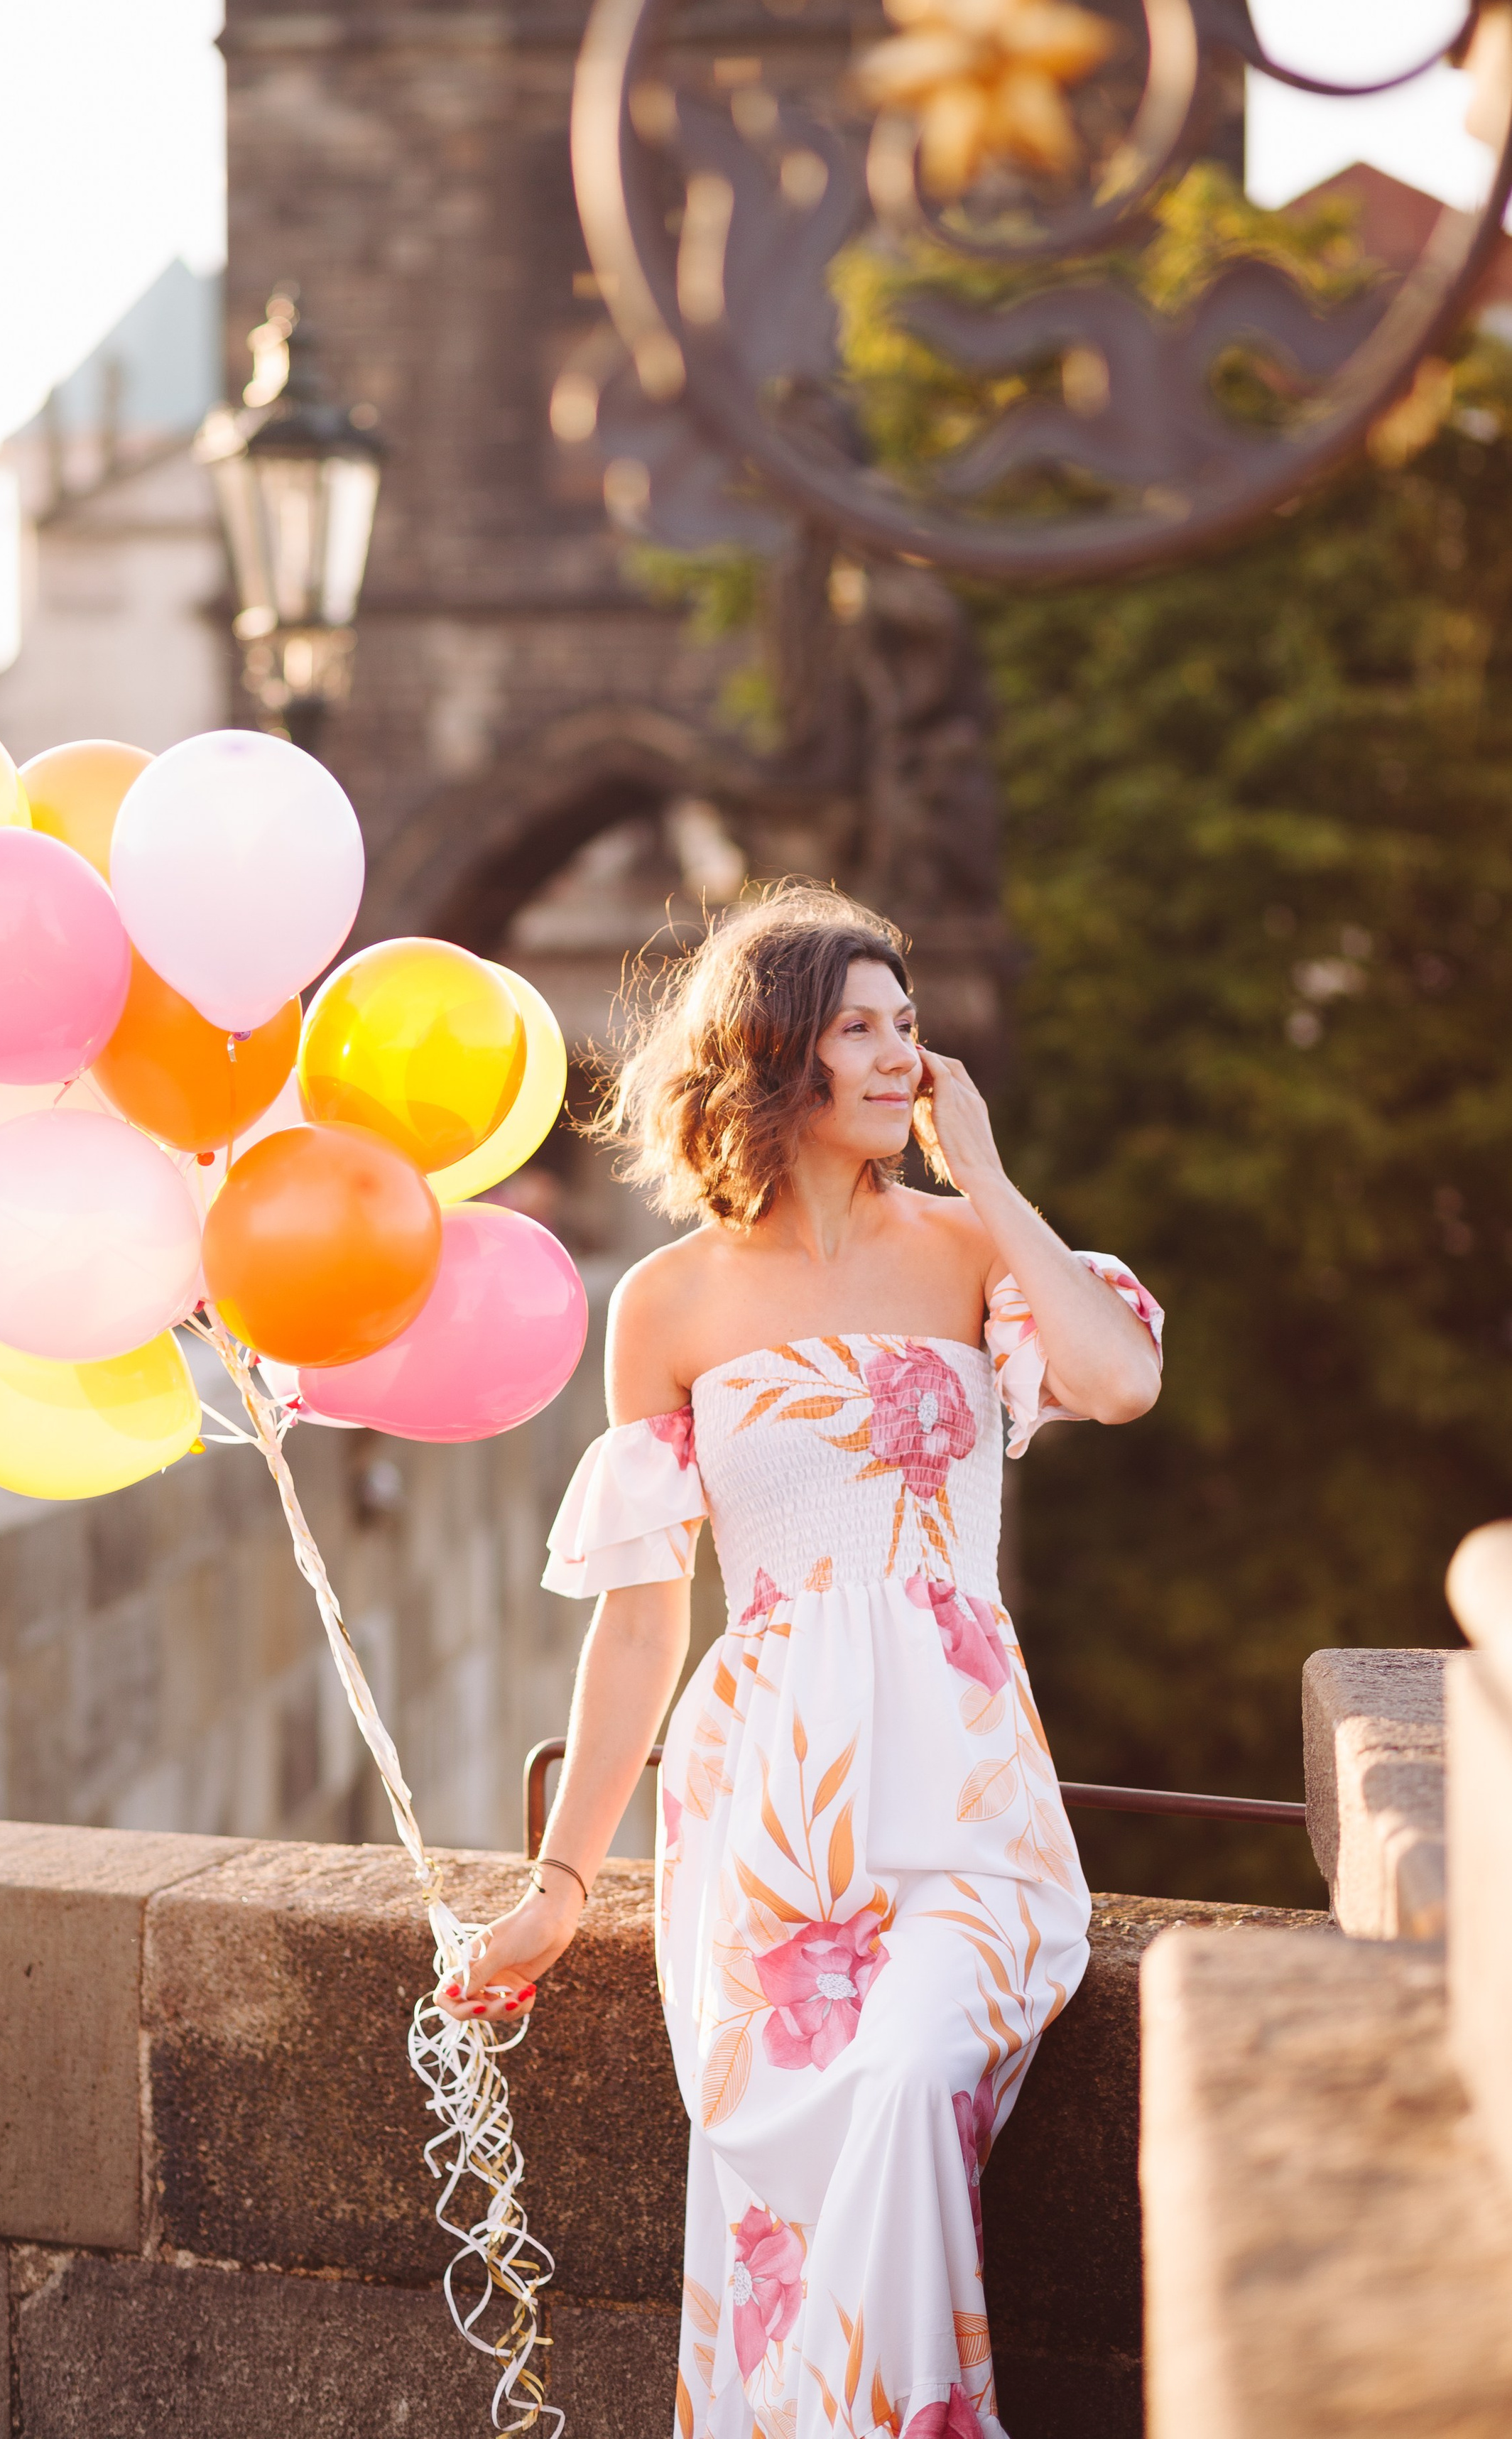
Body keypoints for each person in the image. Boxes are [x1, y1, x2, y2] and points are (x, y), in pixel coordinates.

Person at [437, 886, 1162, 2439]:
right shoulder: (669, 1302)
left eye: (909, 1025)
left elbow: (1117, 1380)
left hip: (964, 1797)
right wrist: (560, 1889)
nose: (903, 1055)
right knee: (780, 2191)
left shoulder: (971, 1250)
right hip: (770, 1811)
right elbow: (644, 1619)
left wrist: (987, 1174)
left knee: (905, 2082)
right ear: (774, 1055)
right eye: (860, 1028)